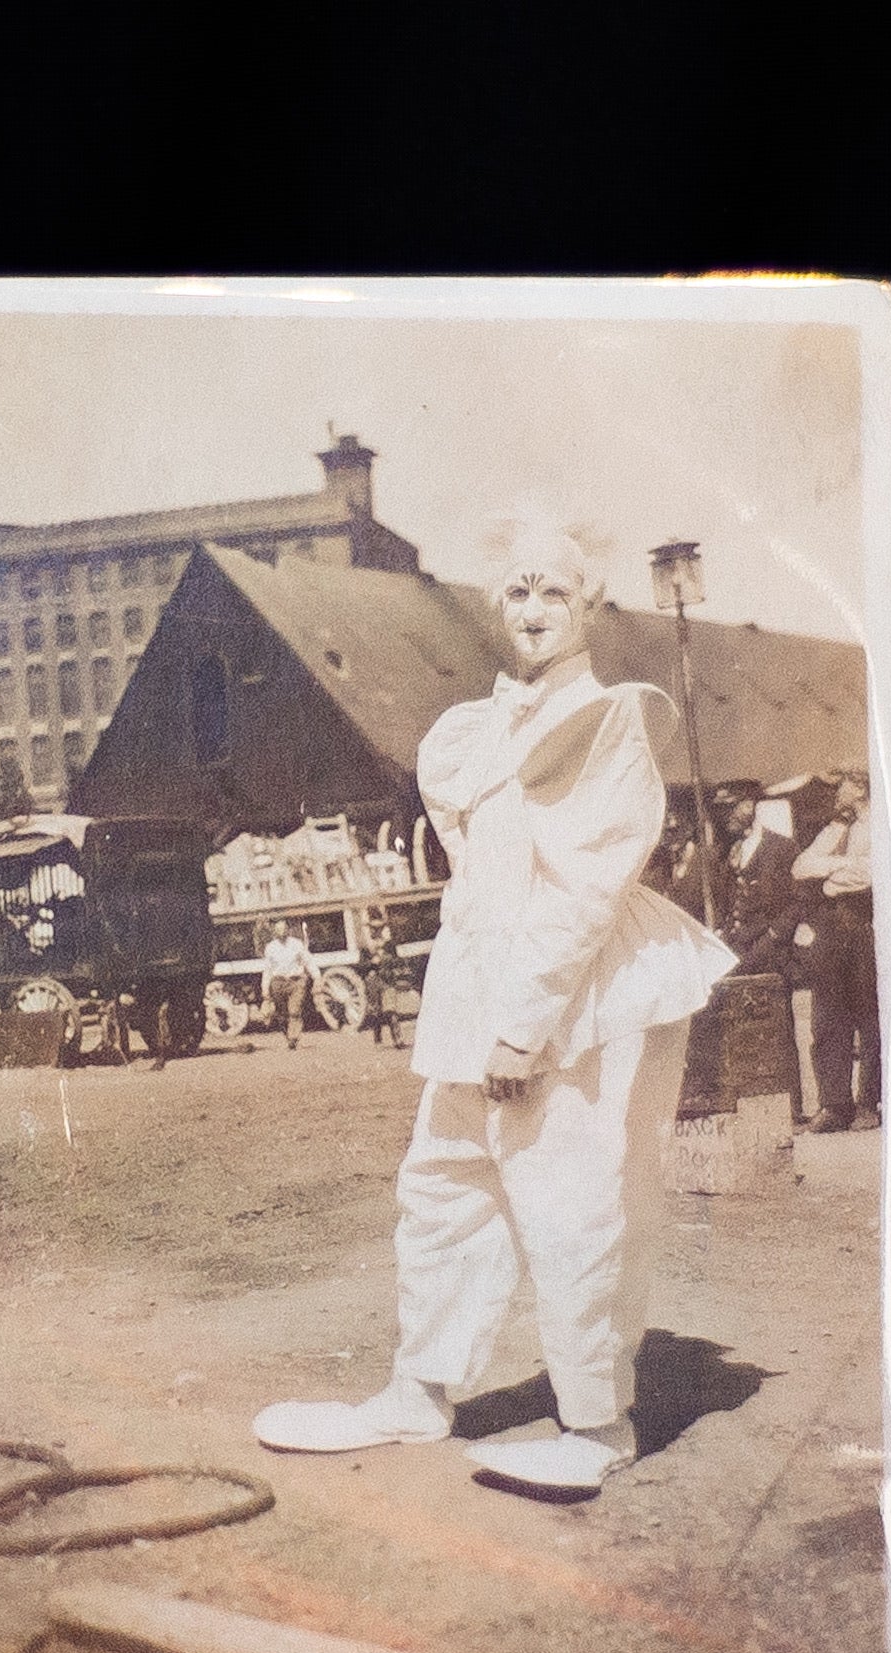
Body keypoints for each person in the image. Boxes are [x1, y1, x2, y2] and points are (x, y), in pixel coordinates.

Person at [252, 522, 737, 1496]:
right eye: (517, 593)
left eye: (554, 593)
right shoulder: (469, 732)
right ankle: (420, 1388)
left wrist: (528, 1022)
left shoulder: (610, 726)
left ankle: (597, 1422)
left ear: (589, 606)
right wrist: (485, 1008)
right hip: (479, 980)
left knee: (570, 1196)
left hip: (570, 989)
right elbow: (483, 873)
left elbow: (584, 892)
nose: (533, 611)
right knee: (444, 1186)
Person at [791, 768, 880, 1132]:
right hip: (834, 928)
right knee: (828, 1017)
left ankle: (872, 1101)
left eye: (841, 784)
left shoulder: (882, 823)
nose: (836, 791)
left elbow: (873, 874)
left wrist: (829, 880)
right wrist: (840, 867)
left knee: (870, 1014)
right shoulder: (839, 827)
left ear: (858, 787)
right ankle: (834, 1104)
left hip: (865, 922)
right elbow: (801, 867)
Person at [715, 787, 805, 1122]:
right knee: (743, 1029)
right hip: (739, 950)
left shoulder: (781, 848)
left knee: (777, 1028)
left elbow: (796, 902)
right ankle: (754, 1104)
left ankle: (791, 1109)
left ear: (749, 806)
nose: (725, 819)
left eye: (730, 811)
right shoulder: (733, 851)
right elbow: (730, 901)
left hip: (770, 950)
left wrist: (773, 936)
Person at [261, 919, 317, 1049]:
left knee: (294, 1010)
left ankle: (294, 1038)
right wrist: (265, 988)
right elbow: (267, 970)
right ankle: (288, 1035)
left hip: (296, 981)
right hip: (278, 983)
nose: (282, 932)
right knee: (281, 1014)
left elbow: (308, 961)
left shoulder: (296, 944)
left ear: (288, 930)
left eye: (284, 929)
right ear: (275, 932)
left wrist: (317, 976)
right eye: (278, 929)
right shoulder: (270, 947)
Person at [362, 926, 405, 1049]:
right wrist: (371, 964)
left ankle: (398, 1039)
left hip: (387, 981)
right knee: (376, 1013)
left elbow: (397, 961)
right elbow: (361, 965)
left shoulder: (390, 946)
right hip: (373, 983)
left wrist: (385, 959)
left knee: (391, 1011)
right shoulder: (366, 947)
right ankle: (378, 1040)